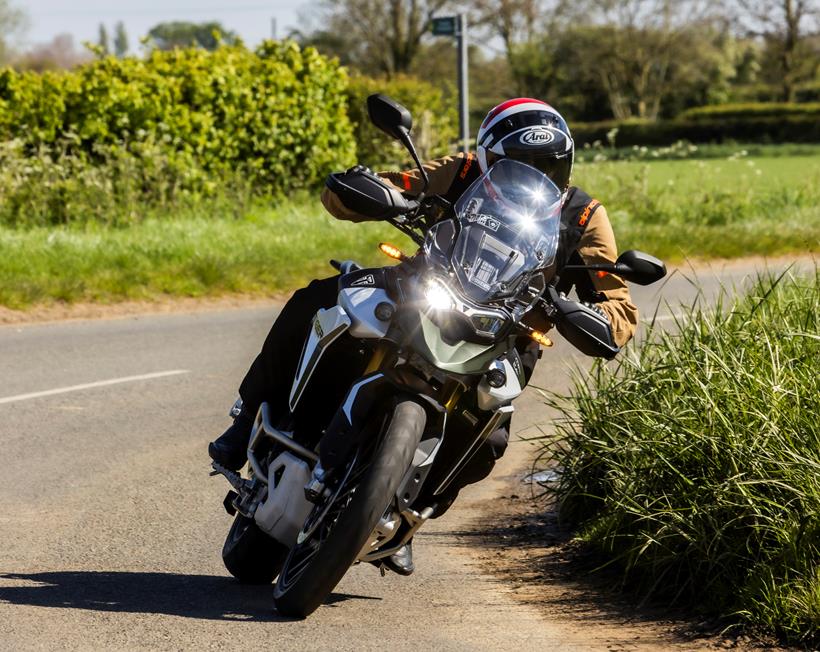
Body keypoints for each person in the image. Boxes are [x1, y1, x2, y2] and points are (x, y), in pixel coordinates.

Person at [209, 98, 639, 575]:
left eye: (547, 166)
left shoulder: (583, 216)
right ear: (488, 157)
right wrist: (373, 191)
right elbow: (391, 187)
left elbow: (617, 302)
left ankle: (406, 516)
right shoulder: (461, 172)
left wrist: (586, 313)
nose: (530, 175)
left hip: (507, 332)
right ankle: (246, 418)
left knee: (490, 439)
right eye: (516, 165)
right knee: (315, 300)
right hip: (421, 288)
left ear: (567, 164)